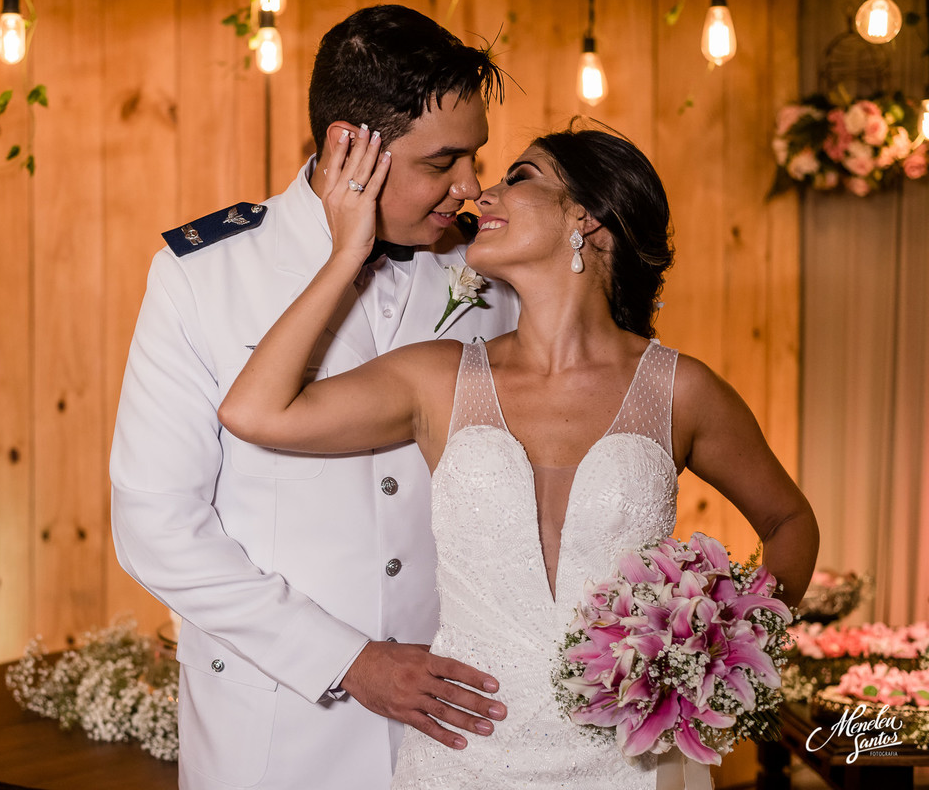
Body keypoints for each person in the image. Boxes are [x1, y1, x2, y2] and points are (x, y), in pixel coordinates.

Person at [218, 123, 820, 787]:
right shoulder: (439, 378)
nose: (483, 194)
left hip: (629, 759)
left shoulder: (680, 390)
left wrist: (726, 644)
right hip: (466, 749)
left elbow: (790, 522)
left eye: (521, 176)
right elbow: (253, 411)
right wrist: (345, 254)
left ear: (587, 219)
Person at [109, 5, 520, 790]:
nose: (470, 186)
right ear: (348, 145)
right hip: (273, 733)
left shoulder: (492, 277)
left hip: (464, 720)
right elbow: (156, 524)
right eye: (444, 162)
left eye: (477, 157)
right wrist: (347, 660)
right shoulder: (202, 276)